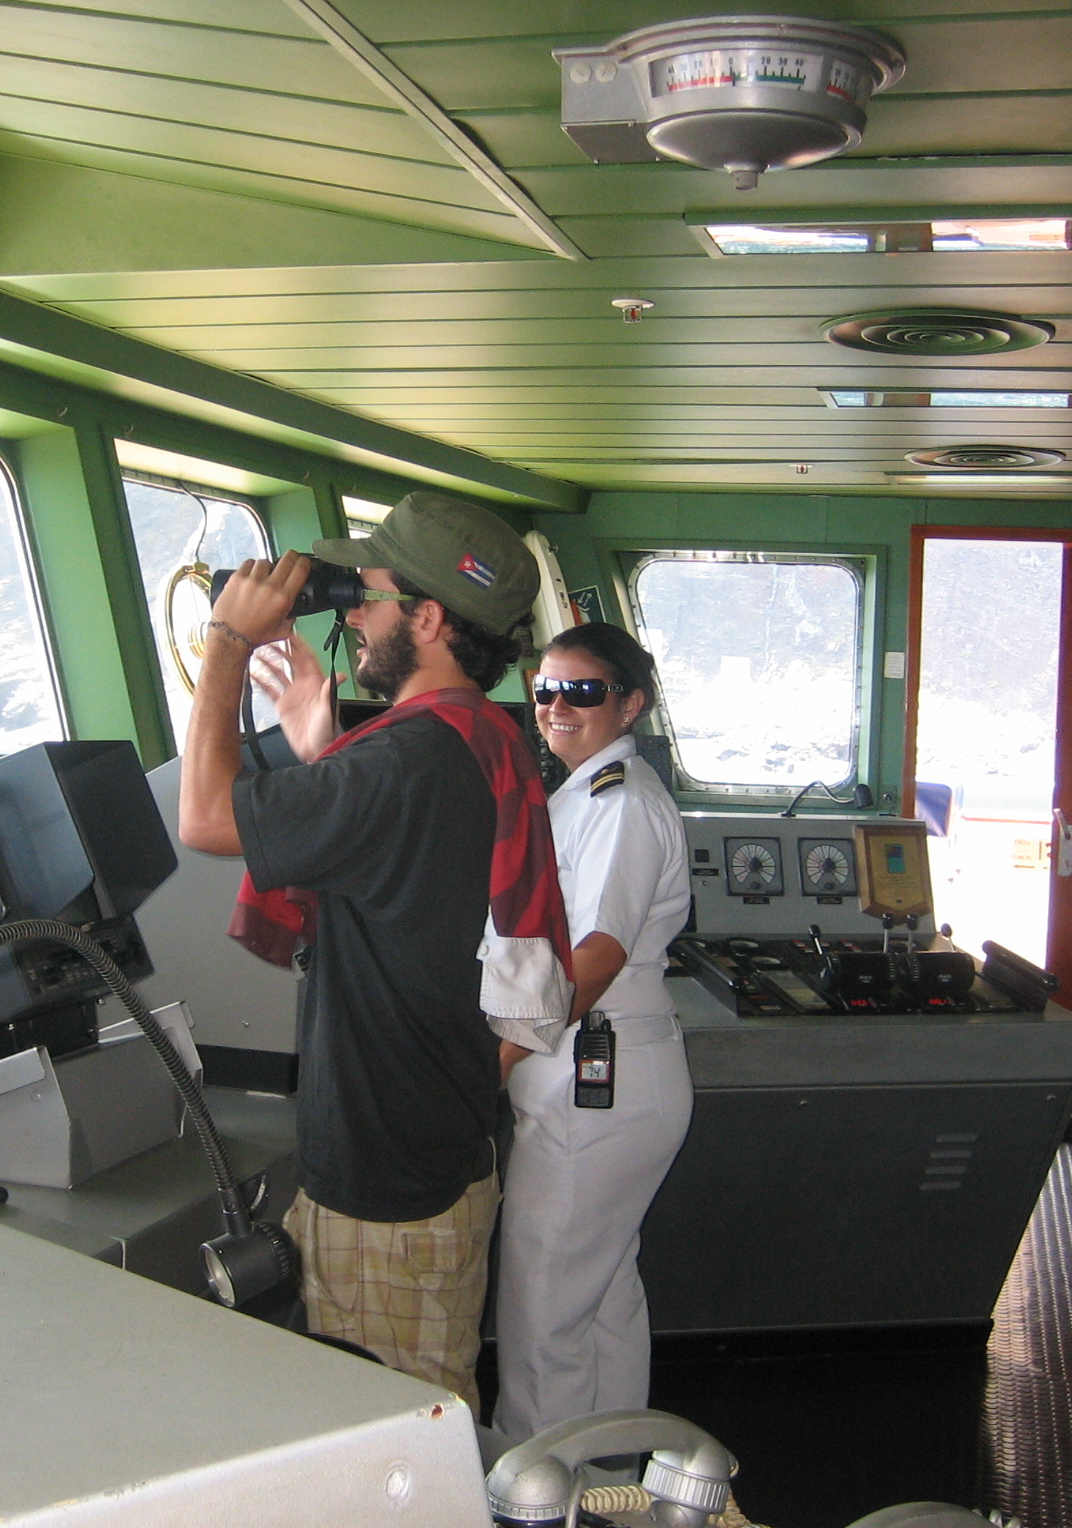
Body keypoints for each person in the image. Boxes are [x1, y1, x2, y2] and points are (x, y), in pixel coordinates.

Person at [177, 490, 572, 1412]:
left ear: (428, 619)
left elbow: (203, 817)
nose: (353, 614)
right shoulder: (480, 735)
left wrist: (226, 645)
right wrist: (320, 747)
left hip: (389, 1181)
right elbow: (400, 862)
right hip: (436, 1142)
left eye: (371, 595)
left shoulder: (402, 761)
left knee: (402, 1437)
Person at [492, 621, 695, 1442]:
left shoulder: (621, 805)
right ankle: (607, 1475)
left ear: (631, 704)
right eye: (545, 689)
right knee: (602, 1295)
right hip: (595, 1077)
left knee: (545, 1307)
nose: (556, 706)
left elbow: (598, 955)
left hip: (591, 1079)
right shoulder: (582, 794)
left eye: (582, 691)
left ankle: (536, 1486)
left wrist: (498, 1055)